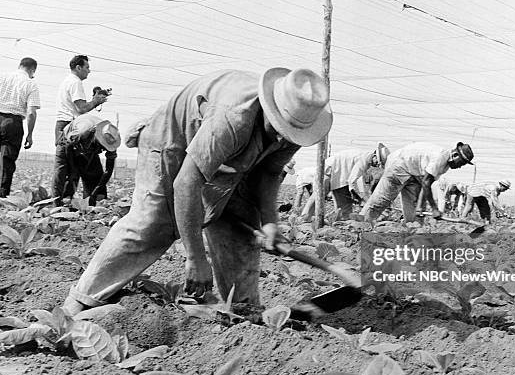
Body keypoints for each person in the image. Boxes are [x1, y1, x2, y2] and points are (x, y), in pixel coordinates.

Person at [62, 67, 332, 315]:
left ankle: (241, 309)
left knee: (239, 221)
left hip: (230, 158)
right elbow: (186, 183)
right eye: (281, 128)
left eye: (291, 133)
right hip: (170, 144)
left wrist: (271, 224)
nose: (285, 138)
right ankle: (81, 302)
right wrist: (195, 258)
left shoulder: (298, 123)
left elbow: (268, 173)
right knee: (152, 223)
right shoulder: (233, 116)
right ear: (272, 109)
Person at [361, 142, 474, 223]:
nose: (460, 167)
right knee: (382, 200)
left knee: (416, 213)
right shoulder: (440, 158)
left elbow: (425, 184)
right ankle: (360, 225)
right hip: (399, 165)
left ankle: (413, 234)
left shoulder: (445, 165)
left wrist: (420, 206)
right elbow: (426, 183)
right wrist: (434, 209)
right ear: (455, 155)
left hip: (413, 175)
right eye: (462, 163)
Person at [301, 143, 389, 221]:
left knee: (345, 205)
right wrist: (364, 199)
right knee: (318, 196)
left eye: (380, 164)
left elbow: (359, 182)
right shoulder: (364, 159)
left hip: (340, 178)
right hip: (328, 171)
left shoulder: (366, 159)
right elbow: (353, 181)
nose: (377, 164)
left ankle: (341, 222)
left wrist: (360, 198)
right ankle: (305, 218)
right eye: (378, 161)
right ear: (374, 155)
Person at [53, 114, 121, 205]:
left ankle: (91, 205)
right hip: (67, 143)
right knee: (61, 174)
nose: (104, 148)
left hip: (88, 147)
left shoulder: (111, 139)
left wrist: (97, 190)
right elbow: (68, 148)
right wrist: (73, 171)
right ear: (97, 137)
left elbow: (109, 170)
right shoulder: (83, 131)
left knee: (96, 175)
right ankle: (58, 204)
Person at [0, 58, 40, 197]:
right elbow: (31, 112)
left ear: (19, 66)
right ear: (32, 70)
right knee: (7, 160)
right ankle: (1, 195)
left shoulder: (2, 76)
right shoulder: (30, 84)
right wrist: (30, 134)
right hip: (12, 123)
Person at [55, 55, 108, 144]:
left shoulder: (67, 81)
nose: (89, 71)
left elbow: (77, 106)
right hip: (70, 125)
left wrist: (94, 100)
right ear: (79, 68)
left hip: (62, 124)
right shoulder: (76, 82)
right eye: (87, 67)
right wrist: (96, 101)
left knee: (64, 155)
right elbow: (82, 108)